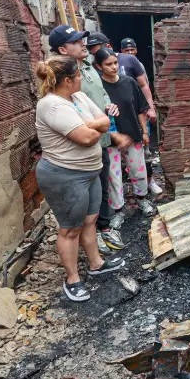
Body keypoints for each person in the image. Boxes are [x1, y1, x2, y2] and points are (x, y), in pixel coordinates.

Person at [34, 55, 125, 302]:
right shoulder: (51, 105)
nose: (81, 79)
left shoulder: (78, 97)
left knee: (90, 219)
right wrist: (94, 127)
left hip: (89, 172)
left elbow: (106, 122)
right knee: (70, 228)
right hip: (65, 175)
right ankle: (72, 279)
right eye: (78, 76)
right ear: (67, 81)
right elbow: (85, 138)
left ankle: (96, 264)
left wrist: (91, 125)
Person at [49, 25, 125, 253]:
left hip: (99, 141)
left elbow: (101, 93)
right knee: (83, 196)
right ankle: (83, 238)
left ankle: (102, 228)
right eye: (76, 41)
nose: (84, 44)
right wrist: (99, 124)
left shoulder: (90, 68)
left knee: (101, 188)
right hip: (78, 148)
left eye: (82, 39)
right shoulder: (58, 79)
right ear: (63, 50)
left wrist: (107, 105)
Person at [94, 48, 156, 217]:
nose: (114, 67)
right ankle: (119, 210)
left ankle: (142, 199)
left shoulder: (129, 82)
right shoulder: (98, 88)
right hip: (110, 140)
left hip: (133, 135)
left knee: (138, 170)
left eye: (115, 63)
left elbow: (140, 109)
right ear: (99, 66)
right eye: (108, 64)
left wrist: (144, 133)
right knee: (114, 176)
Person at [119, 38, 162, 198]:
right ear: (121, 52)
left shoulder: (138, 65)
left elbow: (145, 87)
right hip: (122, 116)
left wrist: (150, 108)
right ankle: (130, 186)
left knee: (145, 150)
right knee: (124, 151)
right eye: (126, 51)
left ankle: (149, 182)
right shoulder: (116, 65)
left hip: (140, 114)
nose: (130, 53)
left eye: (132, 50)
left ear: (136, 50)